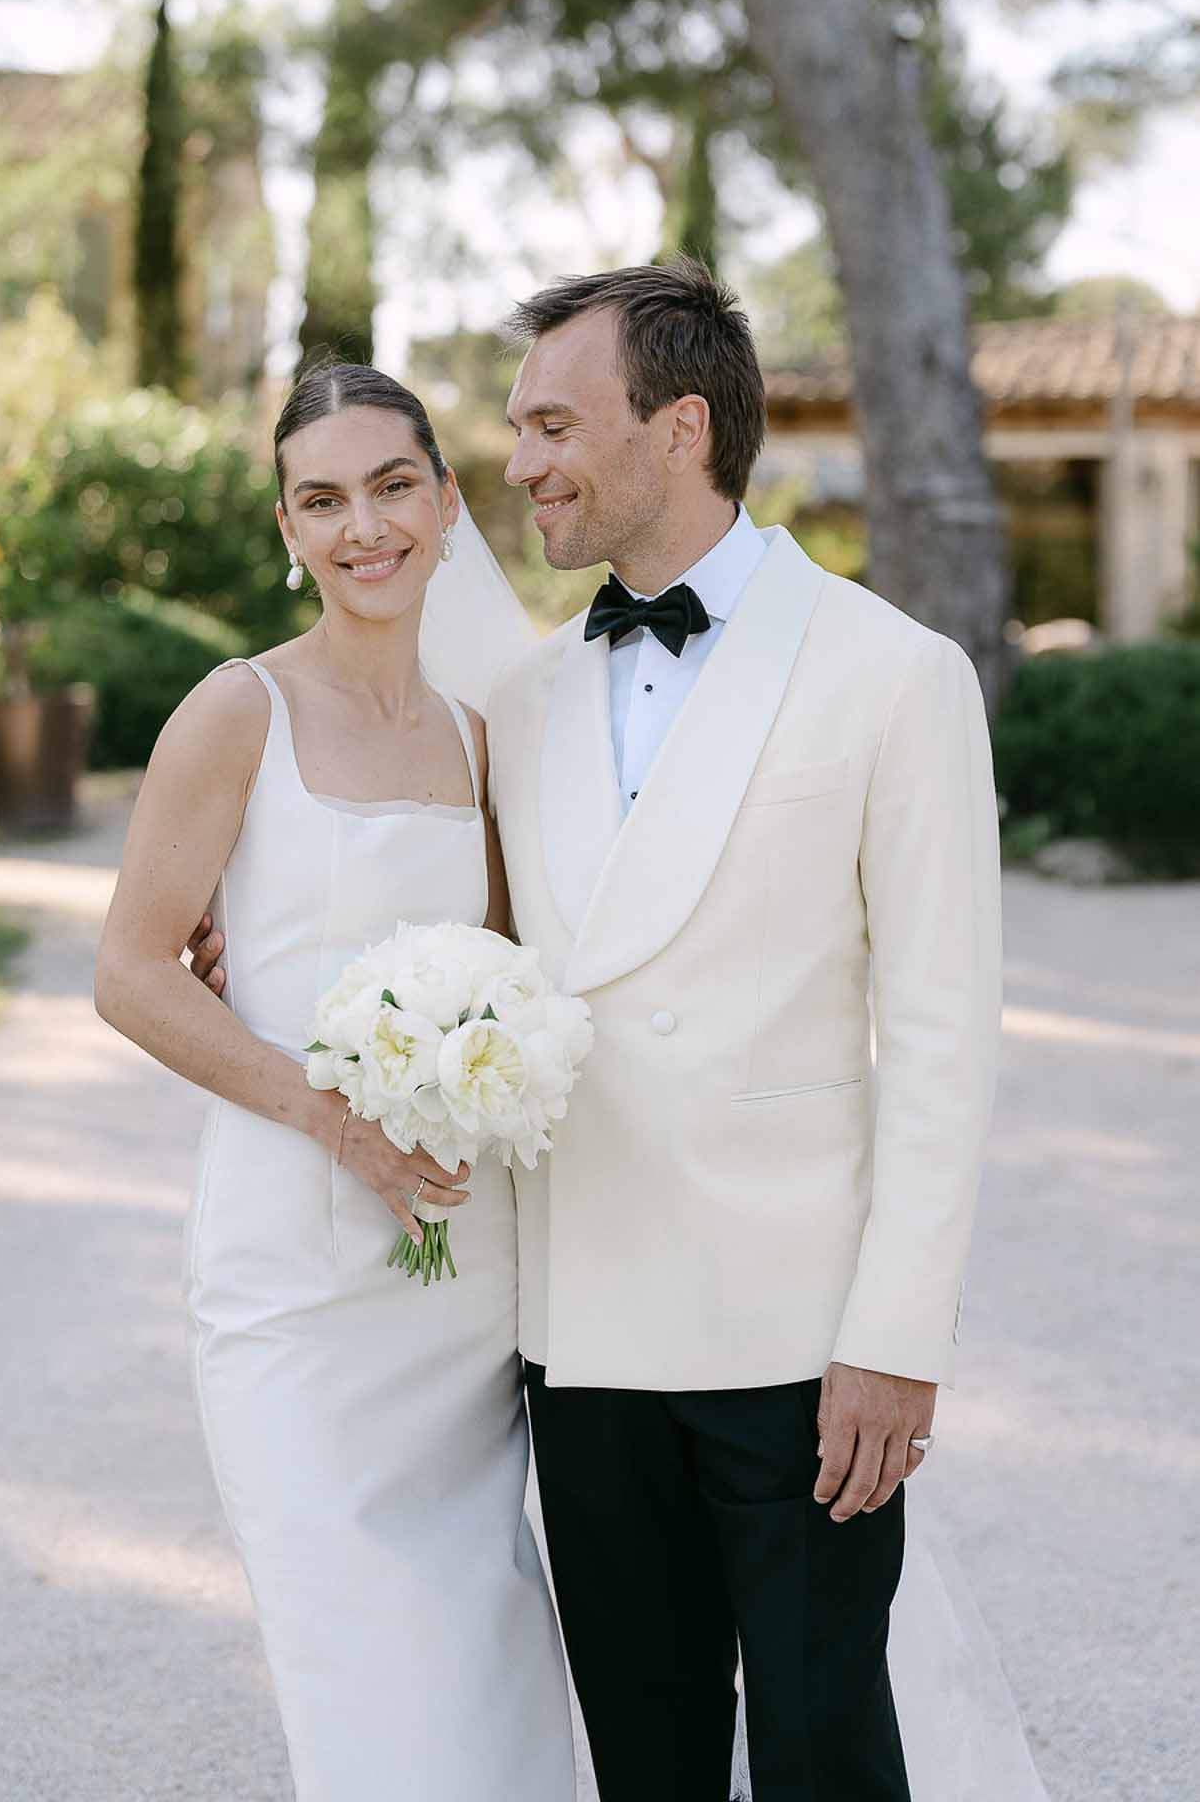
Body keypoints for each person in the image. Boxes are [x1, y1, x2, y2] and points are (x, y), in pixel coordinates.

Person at [181, 265, 1043, 1802]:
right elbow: (464, 932)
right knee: (640, 1758)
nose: (518, 466)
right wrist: (256, 928)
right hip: (575, 1342)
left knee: (825, 1749)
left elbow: (938, 1038)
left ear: (682, 428)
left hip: (799, 1348)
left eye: (552, 426)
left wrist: (895, 1343)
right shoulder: (517, 700)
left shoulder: (893, 675)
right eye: (514, 431)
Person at [93, 363, 578, 1802]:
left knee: (481, 1633)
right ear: (289, 531)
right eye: (323, 499)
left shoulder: (486, 740)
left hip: (457, 1275)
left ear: (443, 502)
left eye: (390, 487)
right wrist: (333, 1120)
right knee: (351, 1641)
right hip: (293, 1274)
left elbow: (515, 965)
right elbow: (129, 972)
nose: (362, 525)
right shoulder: (235, 712)